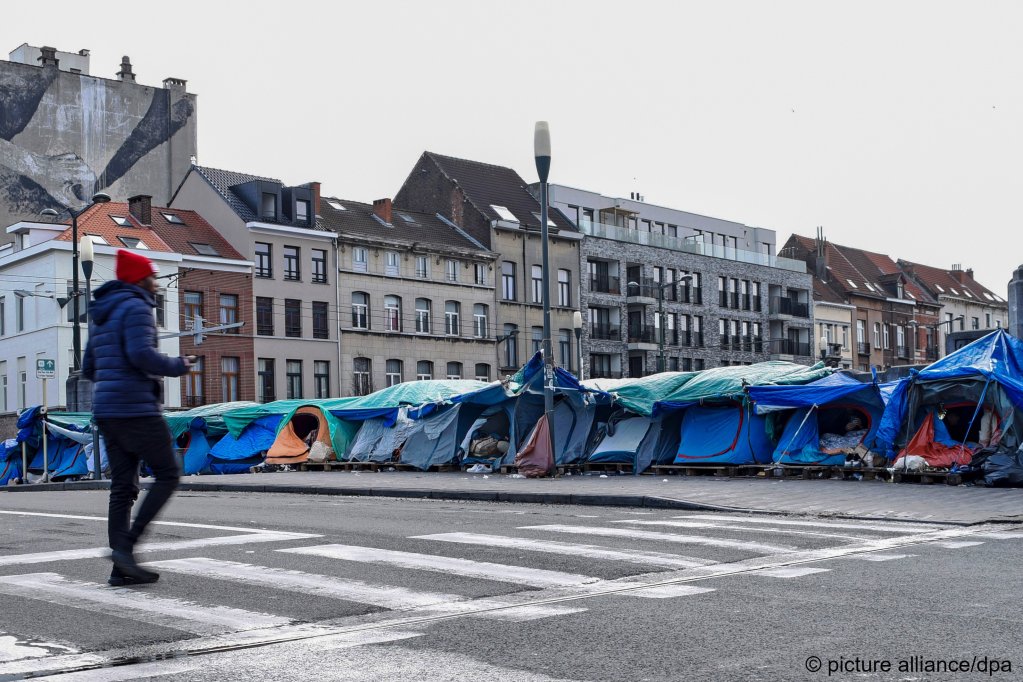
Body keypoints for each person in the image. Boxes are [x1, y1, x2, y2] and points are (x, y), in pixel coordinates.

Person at [83, 249, 193, 586]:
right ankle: (127, 549)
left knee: (122, 487)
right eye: (152, 276)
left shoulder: (102, 314)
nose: (157, 283)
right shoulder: (137, 306)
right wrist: (178, 365)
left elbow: (89, 368)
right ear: (140, 278)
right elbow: (141, 355)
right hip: (136, 408)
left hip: (106, 410)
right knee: (168, 473)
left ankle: (121, 567)